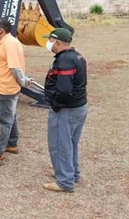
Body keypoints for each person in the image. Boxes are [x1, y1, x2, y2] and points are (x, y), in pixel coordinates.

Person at [41, 28, 88, 193]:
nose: (49, 44)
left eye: (51, 41)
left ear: (58, 42)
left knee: (60, 144)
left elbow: (64, 90)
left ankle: (65, 181)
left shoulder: (65, 61)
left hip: (66, 109)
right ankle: (72, 173)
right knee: (71, 143)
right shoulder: (77, 56)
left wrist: (55, 104)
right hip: (79, 107)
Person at [0, 18, 32, 166]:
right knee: (11, 115)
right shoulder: (4, 42)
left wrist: (23, 81)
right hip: (2, 86)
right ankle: (12, 143)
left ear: (1, 30)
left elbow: (14, 67)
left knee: (5, 120)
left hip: (6, 88)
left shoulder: (9, 43)